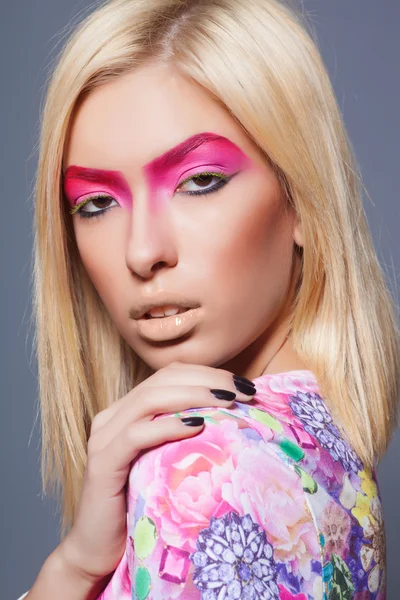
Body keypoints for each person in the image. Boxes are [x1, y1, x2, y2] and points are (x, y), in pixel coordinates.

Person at [19, 0, 399, 598]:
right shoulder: (326, 442)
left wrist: (72, 571)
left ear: (302, 195)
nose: (143, 252)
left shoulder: (199, 468)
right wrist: (76, 562)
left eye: (200, 181)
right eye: (97, 203)